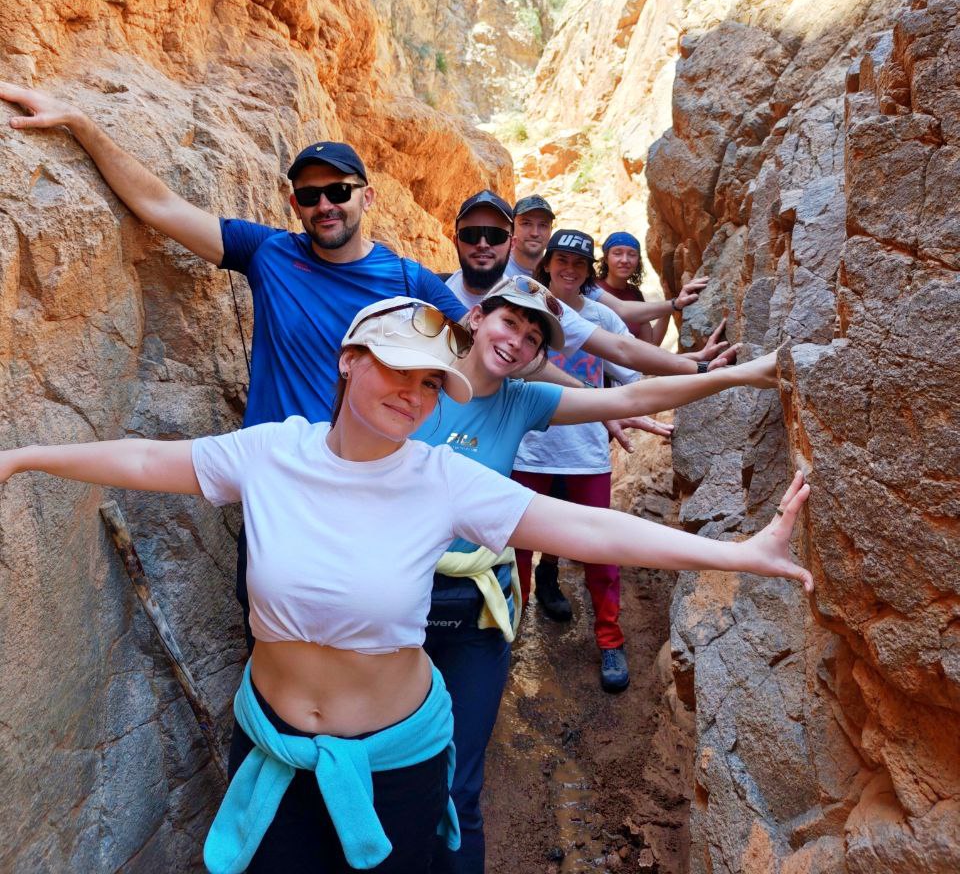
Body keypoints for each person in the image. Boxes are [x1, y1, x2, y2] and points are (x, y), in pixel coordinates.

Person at [0, 295, 813, 873]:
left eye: (430, 383)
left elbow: (590, 529)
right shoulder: (270, 453)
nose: (415, 393)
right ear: (349, 361)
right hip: (272, 745)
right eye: (398, 368)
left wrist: (741, 553)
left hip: (395, 763)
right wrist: (23, 457)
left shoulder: (441, 478)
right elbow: (146, 458)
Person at [0, 80, 467, 648]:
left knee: (368, 629)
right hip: (278, 482)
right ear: (294, 204)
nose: (324, 205)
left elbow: (480, 355)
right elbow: (159, 206)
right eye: (309, 195)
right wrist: (80, 123)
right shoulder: (270, 253)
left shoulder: (409, 282)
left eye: (339, 191)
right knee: (269, 629)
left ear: (366, 197)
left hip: (369, 485)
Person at [419, 274, 799, 872]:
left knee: (459, 785)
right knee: (393, 770)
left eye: (532, 337)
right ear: (475, 318)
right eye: (508, 322)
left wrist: (739, 375)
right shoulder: (413, 382)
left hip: (475, 610)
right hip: (397, 599)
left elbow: (629, 400)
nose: (516, 341)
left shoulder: (524, 401)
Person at [510, 230, 643, 692]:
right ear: (547, 263)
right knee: (514, 551)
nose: (569, 269)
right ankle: (507, 636)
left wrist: (616, 410)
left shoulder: (602, 318)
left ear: (589, 272)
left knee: (599, 551)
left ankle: (610, 640)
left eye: (579, 263)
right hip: (529, 450)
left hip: (585, 455)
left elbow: (630, 372)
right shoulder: (526, 308)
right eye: (562, 260)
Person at [444, 190, 734, 379]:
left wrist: (690, 353)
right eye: (526, 223)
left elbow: (621, 340)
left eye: (542, 225)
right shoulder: (454, 286)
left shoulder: (548, 292)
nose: (483, 245)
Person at [506, 193, 708, 343]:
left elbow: (622, 310)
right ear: (512, 227)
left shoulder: (571, 281)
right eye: (526, 223)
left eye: (543, 225)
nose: (535, 232)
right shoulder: (499, 270)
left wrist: (674, 304)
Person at [597, 231, 669, 346]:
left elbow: (650, 344)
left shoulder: (635, 294)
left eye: (632, 254)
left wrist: (669, 306)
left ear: (638, 261)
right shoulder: (591, 289)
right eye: (617, 253)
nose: (625, 260)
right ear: (606, 258)